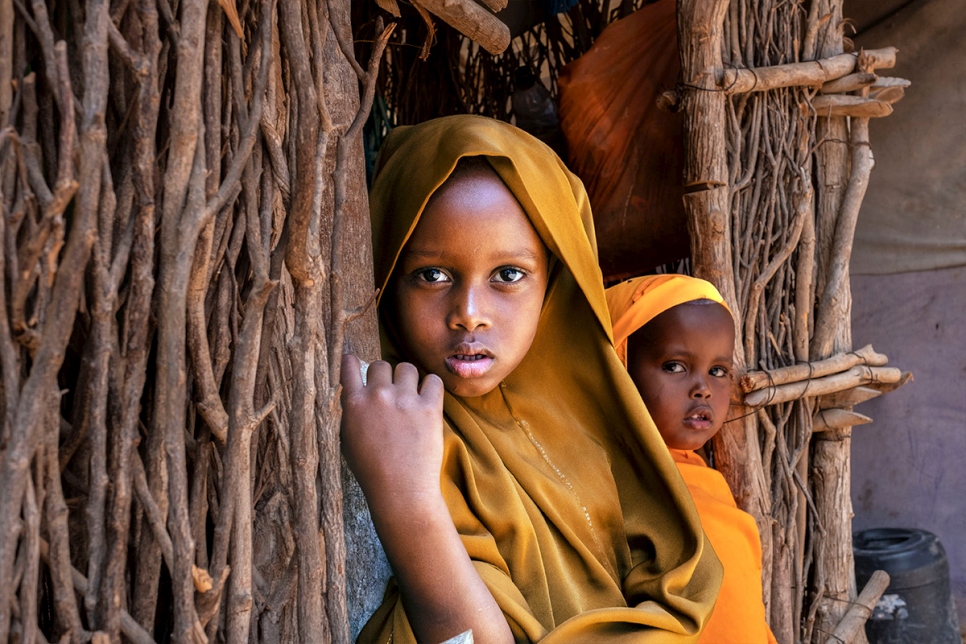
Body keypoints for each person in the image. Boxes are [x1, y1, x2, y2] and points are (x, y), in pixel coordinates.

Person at [340, 115, 722, 644]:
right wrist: (409, 505)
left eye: (508, 275)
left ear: (557, 282)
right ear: (386, 274)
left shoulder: (605, 429)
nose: (469, 314)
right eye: (432, 274)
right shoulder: (398, 432)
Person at [606, 274, 778, 644]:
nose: (702, 389)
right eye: (675, 366)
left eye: (718, 371)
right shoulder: (614, 489)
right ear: (617, 367)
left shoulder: (699, 480)